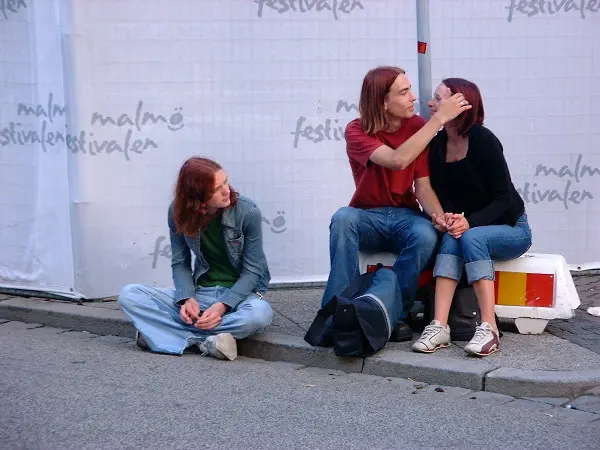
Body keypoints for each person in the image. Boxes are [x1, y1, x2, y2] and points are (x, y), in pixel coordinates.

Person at [321, 66, 471, 341]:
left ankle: (394, 313)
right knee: (343, 218)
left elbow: (422, 186)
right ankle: (336, 312)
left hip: (405, 216)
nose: (413, 97)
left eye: (410, 89)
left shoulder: (416, 126)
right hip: (367, 216)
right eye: (404, 92)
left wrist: (439, 217)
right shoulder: (357, 130)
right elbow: (397, 160)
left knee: (425, 233)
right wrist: (437, 120)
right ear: (382, 102)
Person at [412, 78, 532, 356]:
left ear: (460, 104)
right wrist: (447, 218)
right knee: (454, 237)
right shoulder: (438, 145)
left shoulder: (484, 140)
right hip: (472, 227)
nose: (431, 104)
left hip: (512, 227)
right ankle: (439, 326)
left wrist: (471, 222)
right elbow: (444, 196)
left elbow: (504, 198)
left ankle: (489, 327)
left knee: (472, 235)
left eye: (439, 98)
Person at [118, 157, 273, 360]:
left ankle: (165, 335)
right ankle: (208, 342)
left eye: (225, 181)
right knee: (130, 295)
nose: (227, 190)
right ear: (197, 197)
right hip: (202, 294)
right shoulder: (177, 212)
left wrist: (222, 306)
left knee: (258, 315)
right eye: (217, 189)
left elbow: (253, 271)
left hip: (241, 297)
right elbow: (180, 262)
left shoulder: (247, 211)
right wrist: (187, 298)